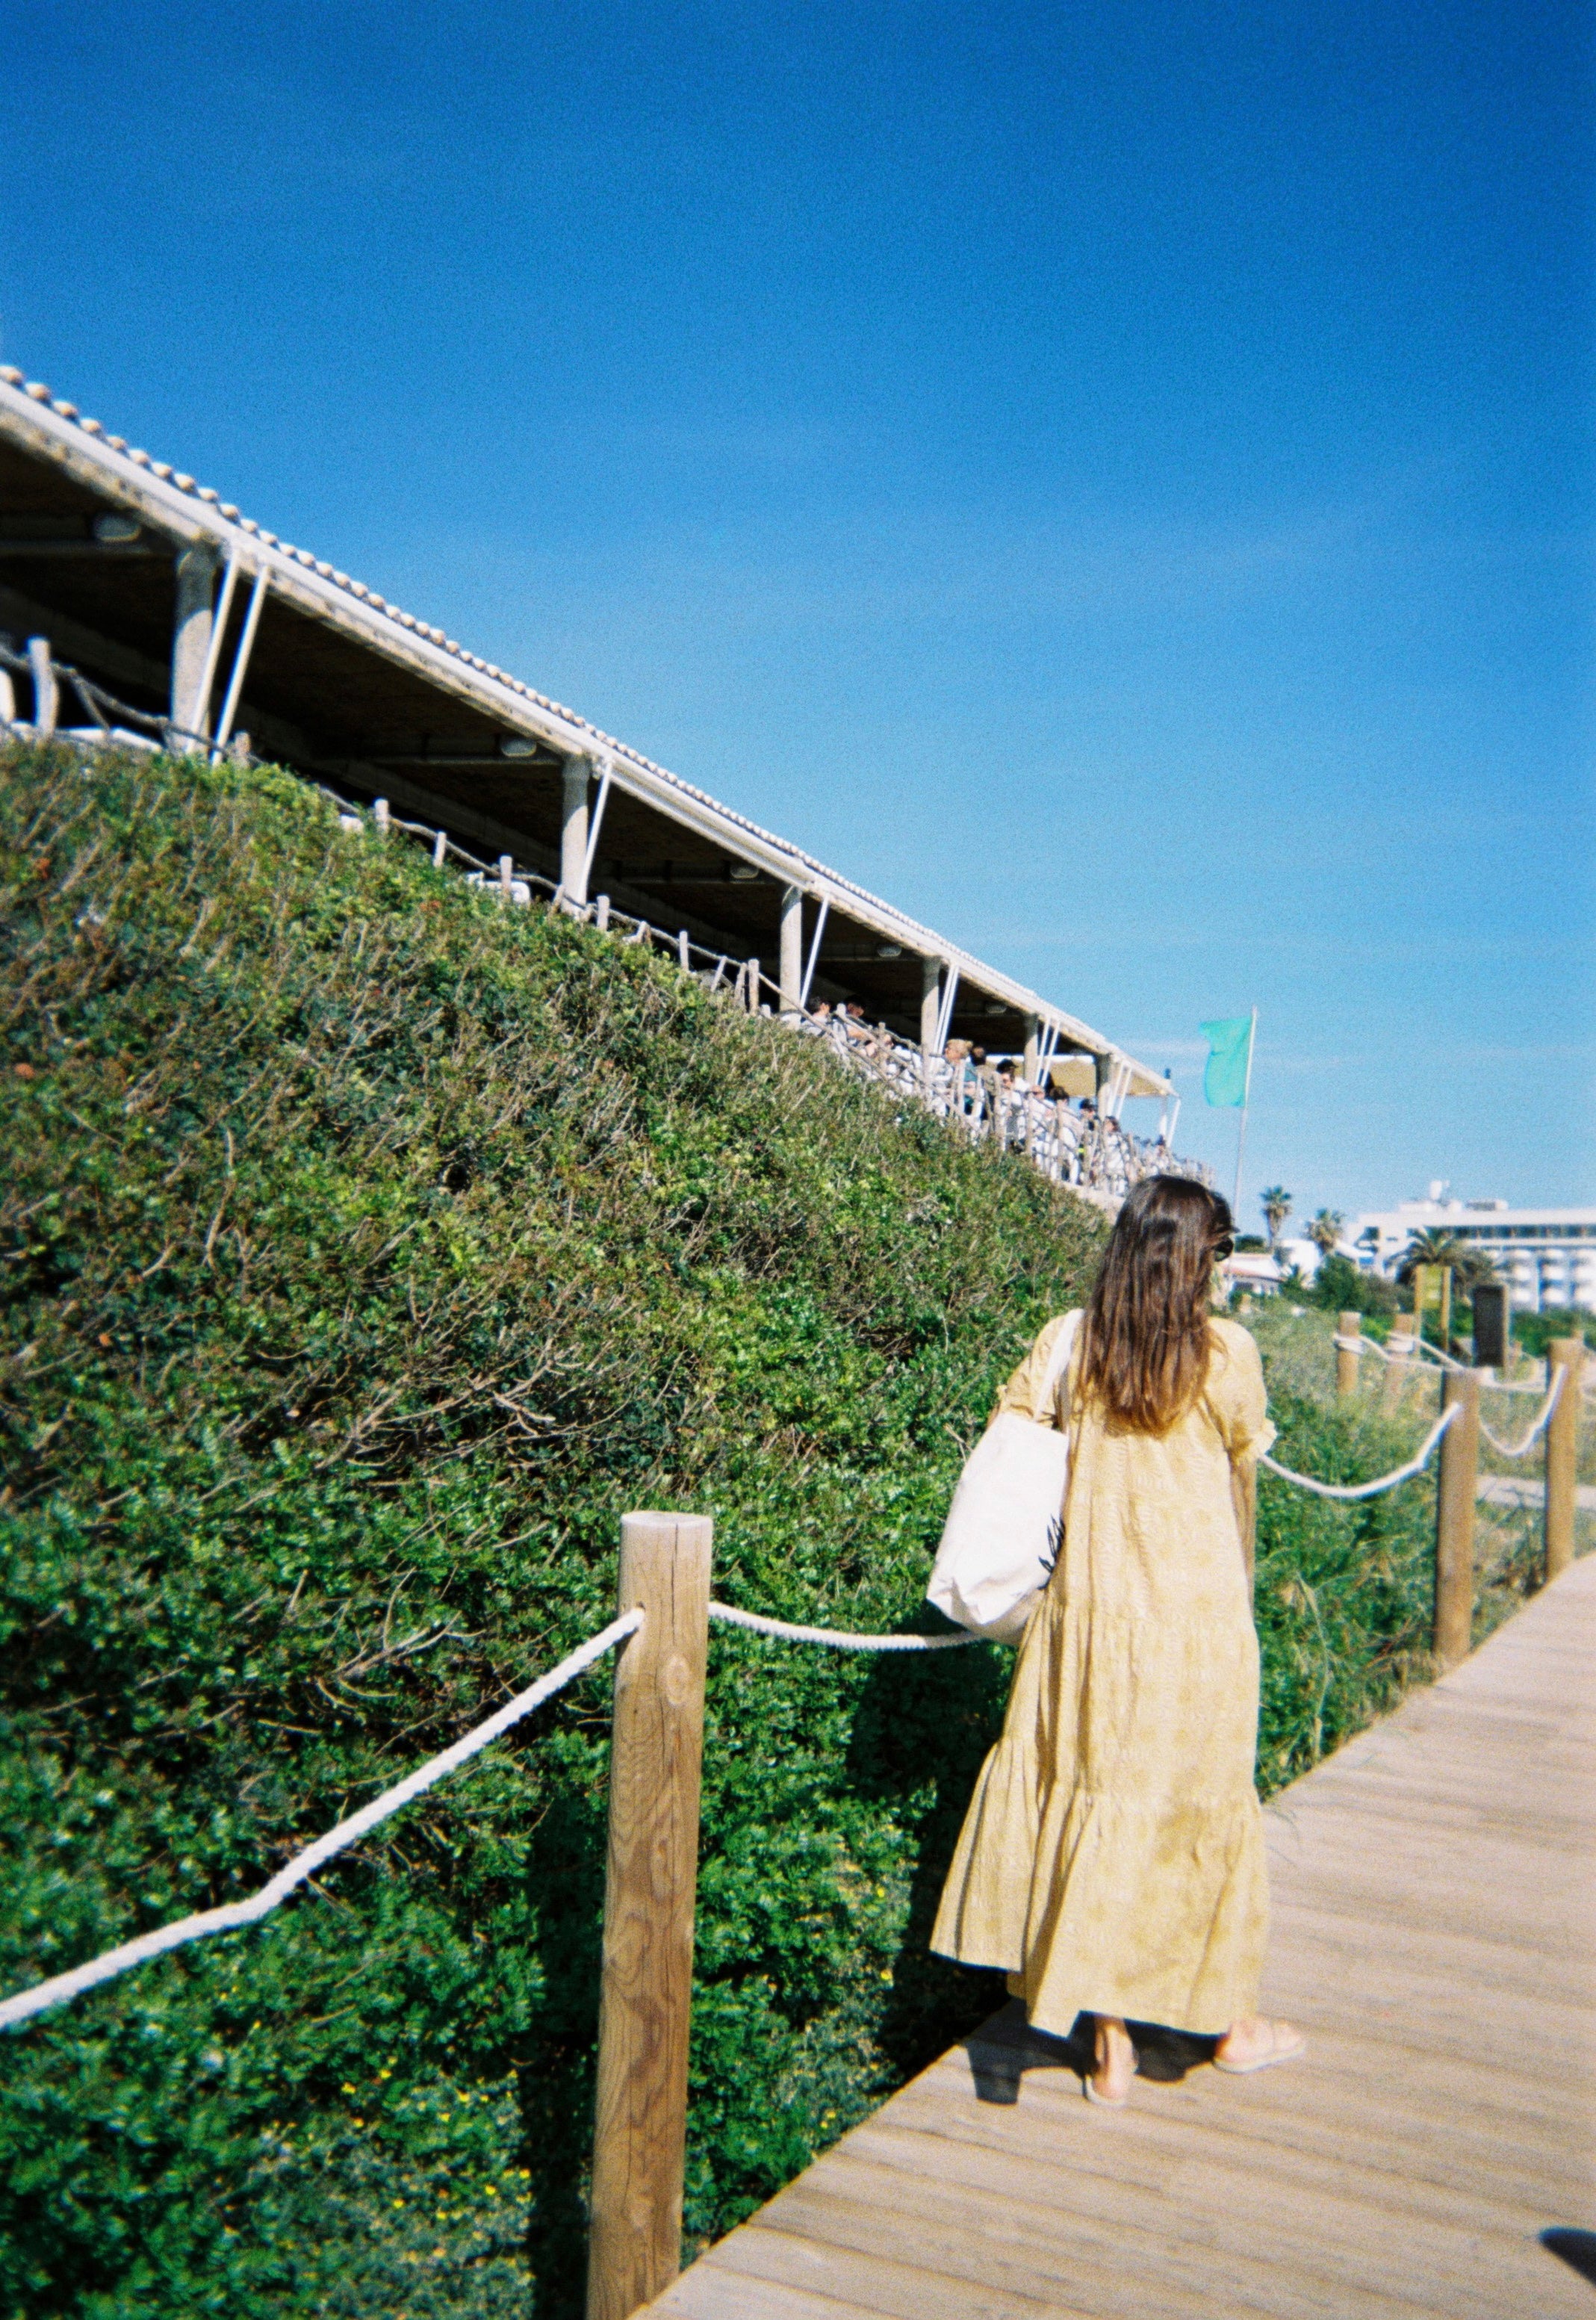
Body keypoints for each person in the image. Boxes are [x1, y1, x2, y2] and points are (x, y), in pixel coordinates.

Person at [931, 1175, 1302, 2105]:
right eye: (1216, 1252)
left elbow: (1013, 1434)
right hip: (1198, 1628)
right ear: (1192, 1256)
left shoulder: (1071, 1341)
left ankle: (1110, 2043)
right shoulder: (1227, 1353)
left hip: (1088, 1624)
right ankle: (1229, 2025)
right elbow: (1244, 1470)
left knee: (1097, 1799)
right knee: (1196, 1807)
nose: (1219, 1269)